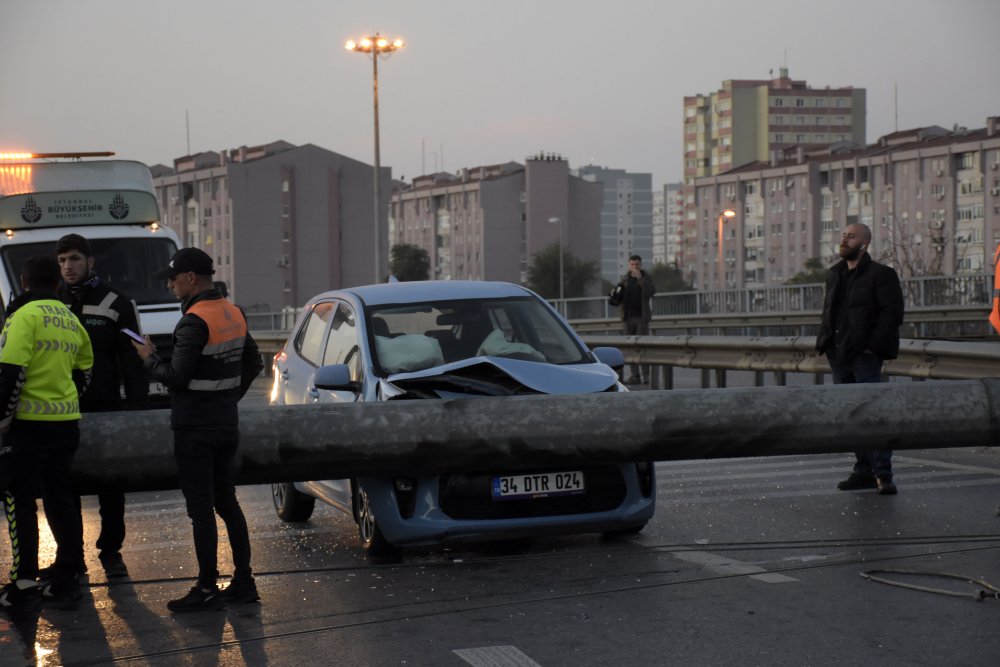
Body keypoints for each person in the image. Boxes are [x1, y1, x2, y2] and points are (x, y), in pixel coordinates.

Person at [132, 248, 263, 612]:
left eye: (172, 278)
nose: (170, 284)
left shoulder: (193, 321)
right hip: (225, 424)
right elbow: (255, 360)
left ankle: (206, 587)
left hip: (194, 429)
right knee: (227, 502)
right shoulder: (232, 312)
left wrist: (148, 359)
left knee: (201, 509)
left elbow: (176, 377)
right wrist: (228, 397)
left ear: (191, 277)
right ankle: (243, 582)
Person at [0, 255, 93, 610]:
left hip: (26, 427)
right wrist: (65, 401)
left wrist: (3, 419)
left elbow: (11, 374)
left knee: (19, 499)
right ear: (57, 284)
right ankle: (65, 577)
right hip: (66, 424)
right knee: (60, 499)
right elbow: (84, 372)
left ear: (24, 282)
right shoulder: (70, 319)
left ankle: (23, 582)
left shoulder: (22, 317)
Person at [53, 233, 147, 580]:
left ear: (90, 262)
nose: (68, 267)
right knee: (66, 483)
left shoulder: (118, 302)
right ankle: (72, 556)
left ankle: (111, 549)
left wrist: (137, 413)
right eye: (62, 261)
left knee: (111, 483)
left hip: (106, 407)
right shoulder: (51, 303)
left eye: (74, 259)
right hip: (62, 410)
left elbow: (134, 357)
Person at [816, 223, 904, 495]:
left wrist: (871, 347)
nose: (844, 240)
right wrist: (827, 343)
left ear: (864, 244)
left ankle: (882, 474)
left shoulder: (881, 275)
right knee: (852, 415)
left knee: (873, 413)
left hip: (864, 355)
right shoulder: (835, 275)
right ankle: (863, 470)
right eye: (843, 235)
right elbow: (830, 312)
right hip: (839, 354)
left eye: (850, 236)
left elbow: (892, 315)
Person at [611, 254, 655, 384]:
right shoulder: (625, 279)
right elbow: (618, 295)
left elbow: (651, 292)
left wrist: (641, 280)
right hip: (627, 318)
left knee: (642, 347)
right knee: (630, 348)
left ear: (640, 265)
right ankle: (635, 376)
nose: (634, 267)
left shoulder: (646, 277)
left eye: (637, 264)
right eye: (632, 265)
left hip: (641, 318)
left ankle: (646, 375)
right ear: (629, 265)